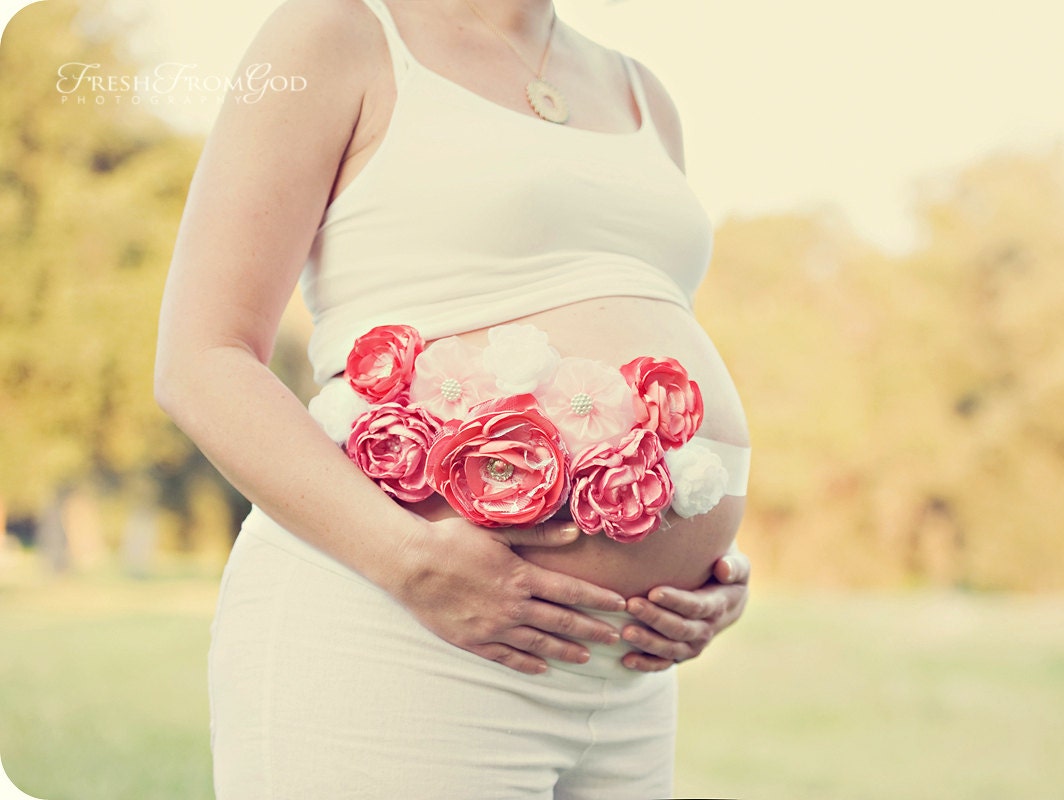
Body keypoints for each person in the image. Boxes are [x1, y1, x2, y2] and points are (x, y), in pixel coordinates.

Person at [154, 0, 751, 796]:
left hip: (624, 679)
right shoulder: (336, 33)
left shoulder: (641, 92)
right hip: (396, 634)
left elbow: (650, 347)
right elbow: (203, 357)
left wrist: (706, 564)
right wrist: (408, 560)